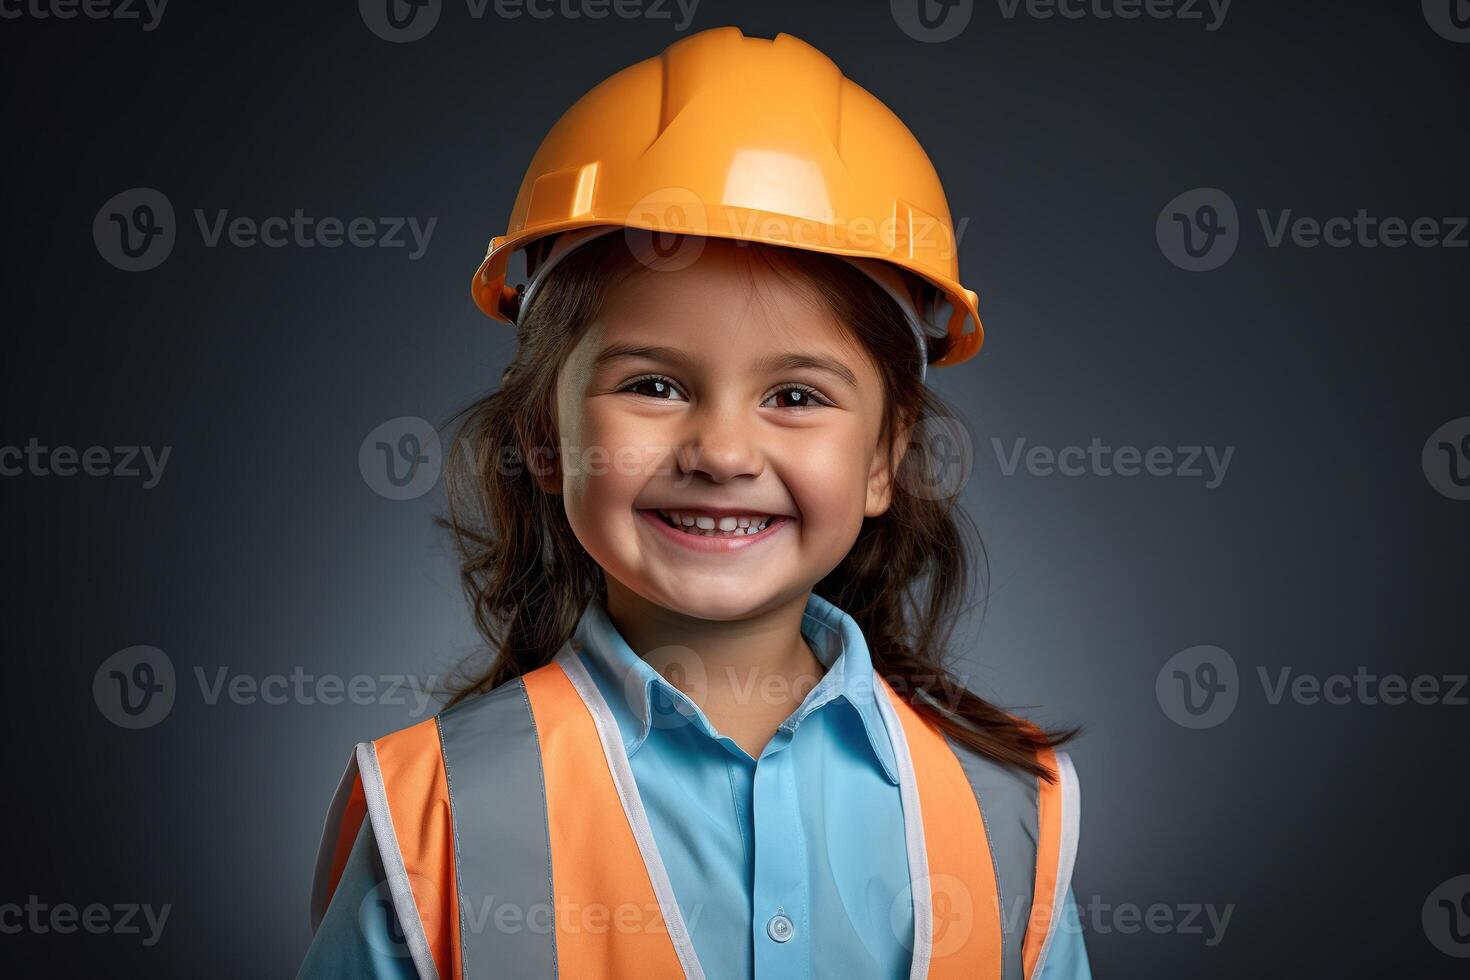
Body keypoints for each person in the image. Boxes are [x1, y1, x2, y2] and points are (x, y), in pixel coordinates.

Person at [298, 25, 1090, 980]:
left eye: (796, 397)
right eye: (654, 386)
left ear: (886, 457)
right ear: (546, 438)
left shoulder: (1010, 813)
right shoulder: (426, 810)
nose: (720, 452)